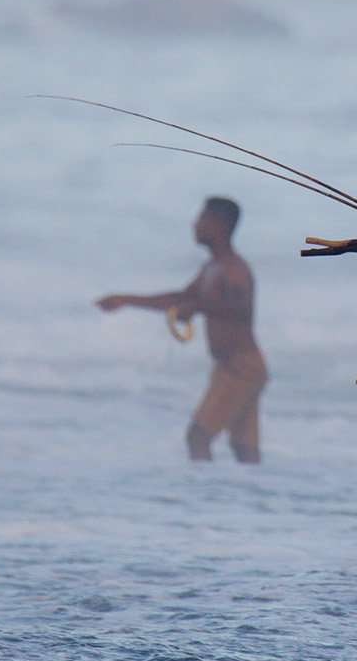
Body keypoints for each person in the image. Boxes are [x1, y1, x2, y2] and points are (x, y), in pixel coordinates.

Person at [97, 197, 267, 463]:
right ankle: (259, 501)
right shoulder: (211, 268)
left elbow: (240, 308)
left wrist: (199, 307)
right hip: (233, 365)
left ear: (219, 225)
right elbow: (180, 299)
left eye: (201, 219)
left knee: (197, 437)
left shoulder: (234, 269)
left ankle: (202, 501)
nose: (194, 224)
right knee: (244, 449)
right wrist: (126, 300)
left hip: (241, 366)